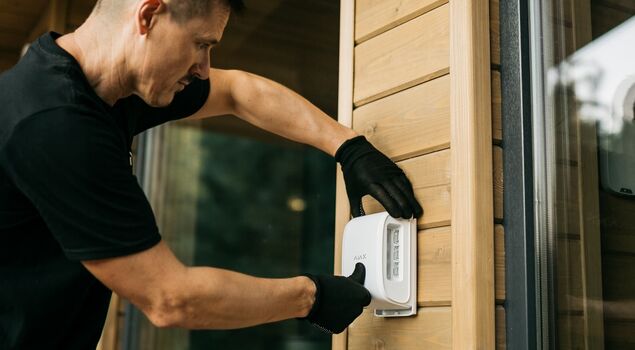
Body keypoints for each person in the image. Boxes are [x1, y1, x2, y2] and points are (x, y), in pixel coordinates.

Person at [0, 0, 423, 348]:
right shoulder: (54, 124)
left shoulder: (100, 86)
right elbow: (170, 299)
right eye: (200, 44)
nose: (203, 67)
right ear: (148, 16)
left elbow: (238, 92)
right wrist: (312, 296)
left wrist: (348, 147)